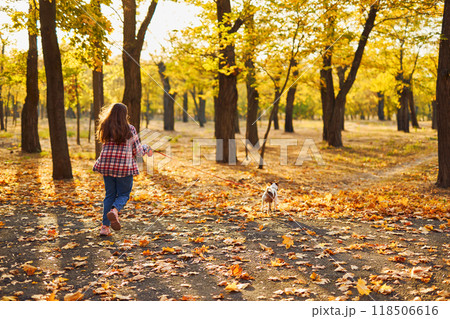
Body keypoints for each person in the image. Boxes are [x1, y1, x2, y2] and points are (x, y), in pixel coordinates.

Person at [93, 103, 152, 236]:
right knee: (124, 194)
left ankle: (104, 228)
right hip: (123, 168)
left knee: (109, 195)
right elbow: (137, 152)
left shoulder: (105, 127)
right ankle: (114, 211)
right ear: (124, 115)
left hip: (107, 166)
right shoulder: (129, 129)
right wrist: (146, 148)